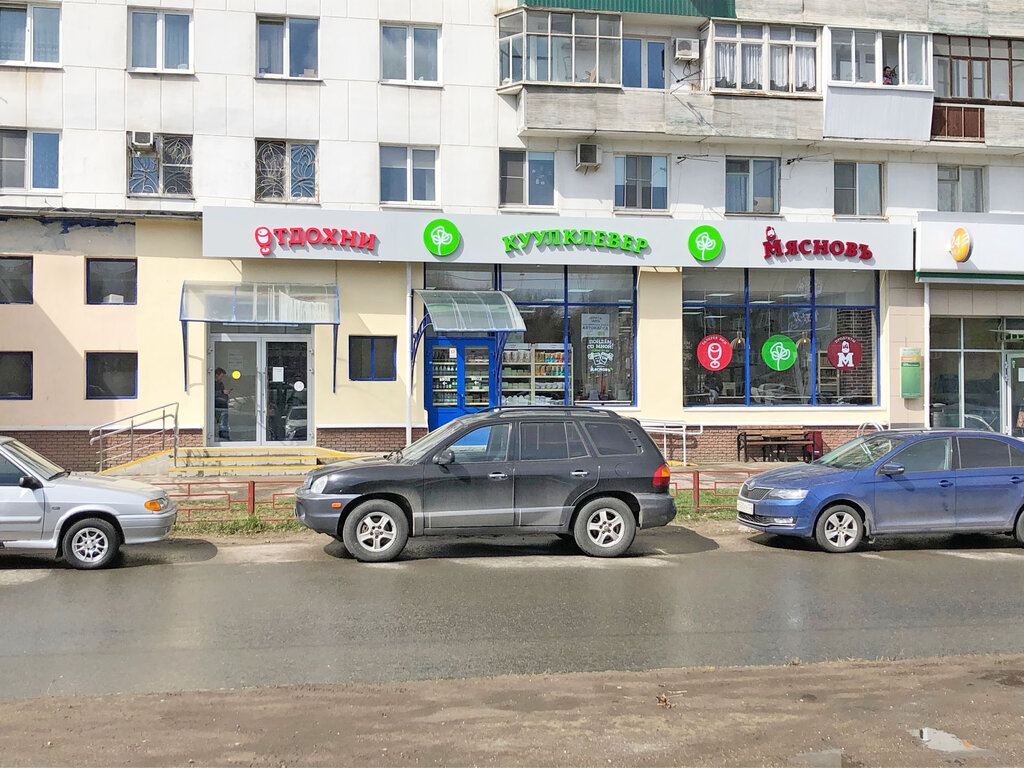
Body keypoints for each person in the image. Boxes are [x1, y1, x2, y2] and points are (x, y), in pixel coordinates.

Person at [214, 367, 231, 440]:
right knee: (222, 423)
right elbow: (212, 393)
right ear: (216, 375)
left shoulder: (220, 383)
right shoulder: (213, 383)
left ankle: (224, 436)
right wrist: (222, 392)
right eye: (221, 376)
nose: (222, 378)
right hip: (218, 406)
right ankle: (223, 437)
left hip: (223, 405)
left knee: (224, 422)